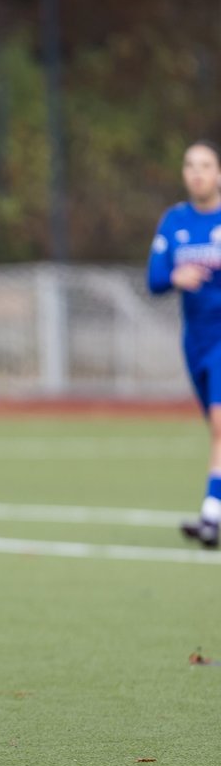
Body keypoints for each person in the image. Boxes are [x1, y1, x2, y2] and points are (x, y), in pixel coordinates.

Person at [148, 140, 221, 548]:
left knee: (220, 426)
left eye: (206, 165)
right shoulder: (174, 220)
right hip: (195, 342)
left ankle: (211, 515)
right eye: (190, 165)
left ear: (219, 173)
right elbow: (154, 278)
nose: (197, 172)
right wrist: (175, 277)